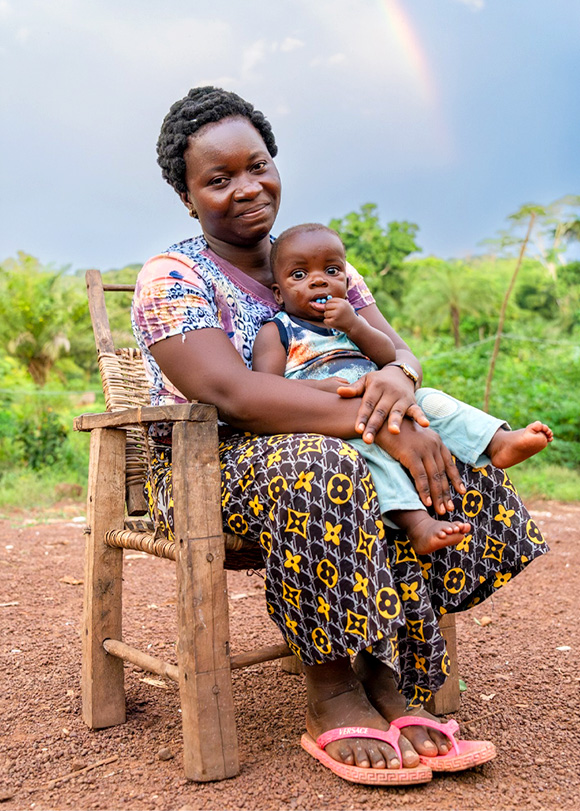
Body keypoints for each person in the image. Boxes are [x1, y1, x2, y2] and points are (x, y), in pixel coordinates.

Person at [131, 86, 549, 785]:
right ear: (187, 196)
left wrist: (403, 385)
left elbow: (397, 352)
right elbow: (230, 392)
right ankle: (331, 691)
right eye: (218, 178)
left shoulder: (323, 261)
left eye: (257, 165)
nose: (247, 188)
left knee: (441, 446)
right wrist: (381, 426)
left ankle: (389, 678)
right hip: (213, 468)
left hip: (346, 437)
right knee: (325, 463)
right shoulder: (172, 276)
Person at [252, 222, 553, 556]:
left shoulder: (351, 323)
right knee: (369, 456)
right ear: (278, 293)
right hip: (333, 422)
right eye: (299, 275)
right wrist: (318, 387)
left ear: (347, 282)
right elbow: (267, 386)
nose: (319, 280)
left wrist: (355, 325)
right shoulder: (277, 331)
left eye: (332, 270)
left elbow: (389, 356)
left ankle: (497, 441)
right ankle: (418, 525)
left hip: (387, 402)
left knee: (430, 400)